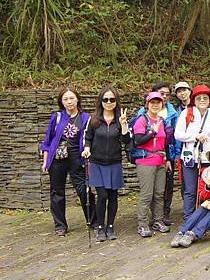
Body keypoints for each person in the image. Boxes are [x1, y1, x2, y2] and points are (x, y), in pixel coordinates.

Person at [40, 87, 97, 237]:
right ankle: (60, 225)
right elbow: (48, 140)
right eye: (65, 99)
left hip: (77, 157)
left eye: (71, 98)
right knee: (57, 191)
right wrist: (46, 160)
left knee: (84, 190)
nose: (69, 101)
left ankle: (93, 221)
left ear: (77, 99)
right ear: (61, 102)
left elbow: (88, 138)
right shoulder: (57, 117)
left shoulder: (86, 118)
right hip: (57, 158)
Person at [82, 87, 130, 242]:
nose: (109, 103)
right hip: (97, 163)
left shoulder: (120, 120)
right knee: (102, 195)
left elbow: (126, 142)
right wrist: (87, 149)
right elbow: (88, 137)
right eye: (106, 100)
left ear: (116, 101)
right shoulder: (94, 119)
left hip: (114, 163)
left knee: (113, 196)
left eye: (112, 100)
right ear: (101, 101)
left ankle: (110, 226)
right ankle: (100, 227)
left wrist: (124, 126)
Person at [174, 85, 210, 220]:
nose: (202, 100)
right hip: (190, 158)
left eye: (205, 98)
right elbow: (178, 134)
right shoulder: (187, 113)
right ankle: (189, 217)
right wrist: (194, 136)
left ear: (209, 100)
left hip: (208, 159)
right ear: (194, 100)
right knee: (190, 190)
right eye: (199, 98)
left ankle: (206, 216)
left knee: (207, 188)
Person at [132, 92, 172, 237]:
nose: (155, 105)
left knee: (160, 193)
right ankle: (142, 224)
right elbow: (138, 141)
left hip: (160, 160)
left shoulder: (163, 120)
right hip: (145, 161)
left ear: (162, 104)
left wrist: (167, 159)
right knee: (147, 194)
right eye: (152, 102)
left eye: (158, 102)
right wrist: (151, 133)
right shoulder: (142, 120)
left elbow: (165, 142)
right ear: (147, 104)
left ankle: (158, 220)